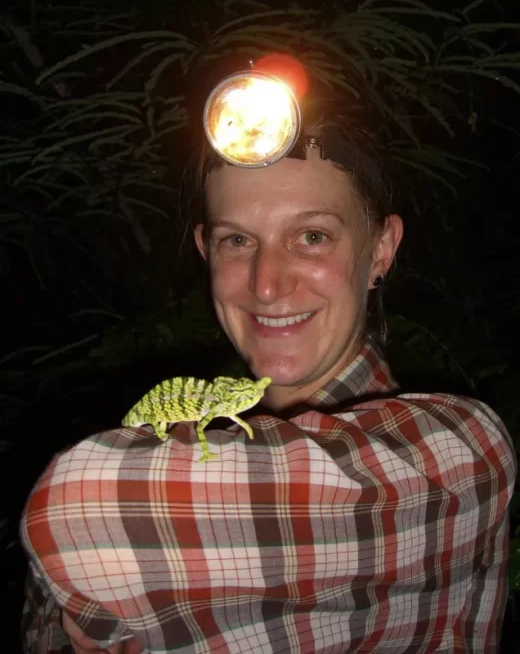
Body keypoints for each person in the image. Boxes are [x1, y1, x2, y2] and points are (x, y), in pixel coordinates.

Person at [20, 66, 516, 653]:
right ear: (206, 251)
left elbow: (78, 509)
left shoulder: (464, 448)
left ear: (381, 248)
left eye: (312, 237)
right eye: (237, 240)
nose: (267, 285)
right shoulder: (212, 422)